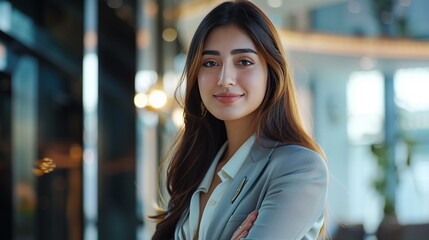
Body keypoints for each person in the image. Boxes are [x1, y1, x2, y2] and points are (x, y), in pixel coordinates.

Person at [151, 0, 328, 239]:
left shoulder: (298, 167)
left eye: (244, 61)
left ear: (271, 72)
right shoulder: (196, 166)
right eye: (210, 63)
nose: (225, 79)